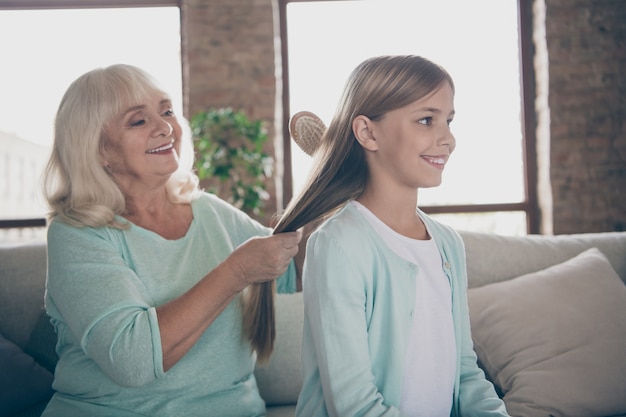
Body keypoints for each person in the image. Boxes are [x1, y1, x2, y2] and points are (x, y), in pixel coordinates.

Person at [41, 64, 302, 417]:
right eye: (138, 121)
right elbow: (133, 360)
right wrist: (236, 271)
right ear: (99, 149)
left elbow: (290, 269)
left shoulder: (209, 212)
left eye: (166, 111)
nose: (165, 127)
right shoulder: (77, 233)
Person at [274, 55, 509, 416]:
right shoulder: (338, 246)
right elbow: (354, 405)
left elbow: (464, 371)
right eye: (427, 120)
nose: (447, 139)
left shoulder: (448, 244)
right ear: (368, 133)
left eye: (449, 121)